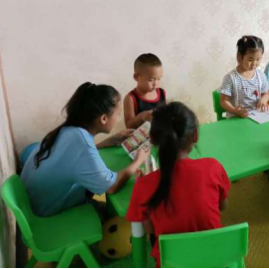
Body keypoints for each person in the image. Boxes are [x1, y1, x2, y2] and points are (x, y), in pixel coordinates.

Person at [126, 102, 231, 268]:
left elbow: (150, 230)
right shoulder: (213, 167)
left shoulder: (144, 185)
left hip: (173, 264)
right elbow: (222, 206)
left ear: (152, 140)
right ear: (195, 136)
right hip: (215, 260)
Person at [21, 83, 149, 217]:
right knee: (100, 199)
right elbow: (112, 187)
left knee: (91, 185)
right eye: (118, 114)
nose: (118, 118)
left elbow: (75, 157)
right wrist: (138, 161)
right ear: (103, 118)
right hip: (43, 210)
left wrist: (110, 141)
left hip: (31, 197)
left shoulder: (70, 129)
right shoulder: (82, 144)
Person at [218, 36, 269, 118]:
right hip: (236, 119)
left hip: (256, 117)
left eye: (258, 59)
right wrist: (235, 111)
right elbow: (224, 101)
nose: (254, 63)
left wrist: (263, 100)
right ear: (239, 57)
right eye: (250, 60)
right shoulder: (230, 78)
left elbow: (266, 94)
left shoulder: (261, 75)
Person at [124, 53, 167, 129]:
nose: (156, 83)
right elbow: (129, 126)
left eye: (159, 78)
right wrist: (142, 117)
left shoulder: (162, 93)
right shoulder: (131, 98)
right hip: (140, 136)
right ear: (136, 77)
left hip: (160, 134)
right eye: (151, 80)